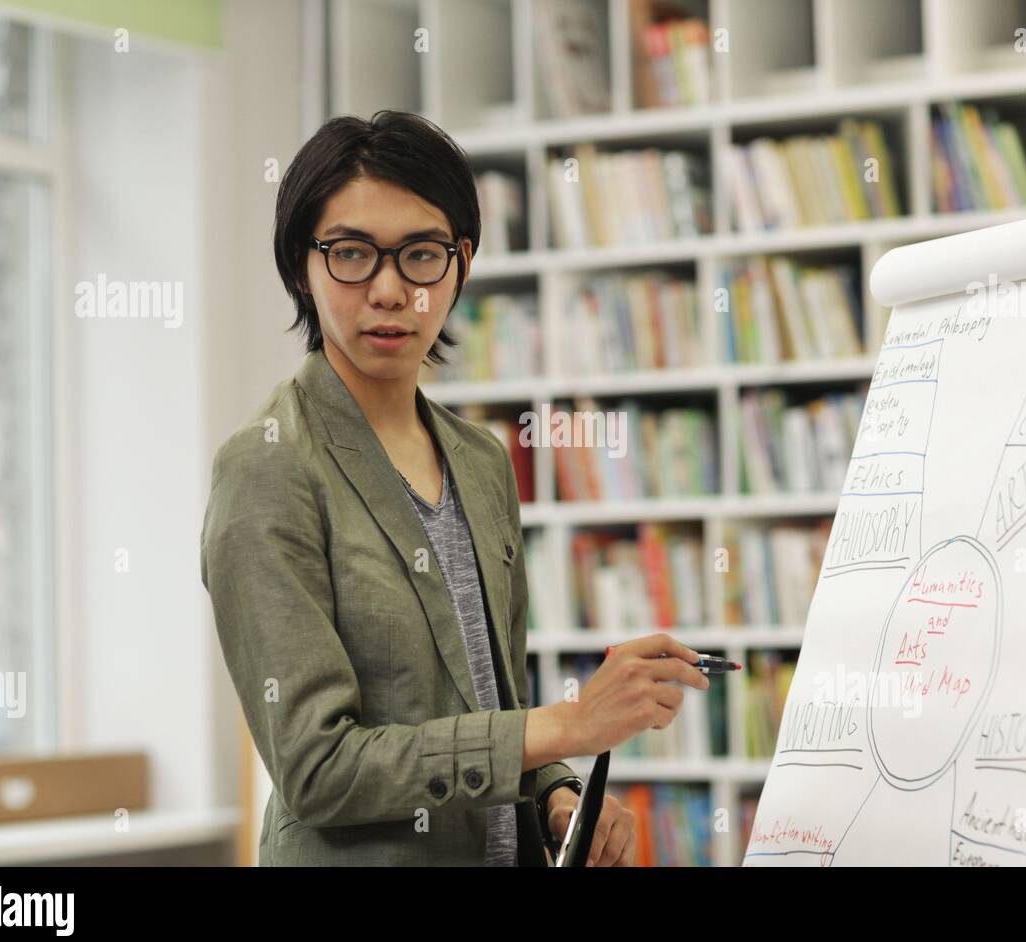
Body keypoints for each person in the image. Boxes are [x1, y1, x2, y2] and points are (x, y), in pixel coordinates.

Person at [200, 111, 709, 866]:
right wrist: (569, 724)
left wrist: (556, 791)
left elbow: (491, 699)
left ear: (460, 262)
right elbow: (316, 770)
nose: (389, 288)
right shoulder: (269, 465)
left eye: (421, 254)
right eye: (349, 253)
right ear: (299, 264)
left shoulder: (480, 459)